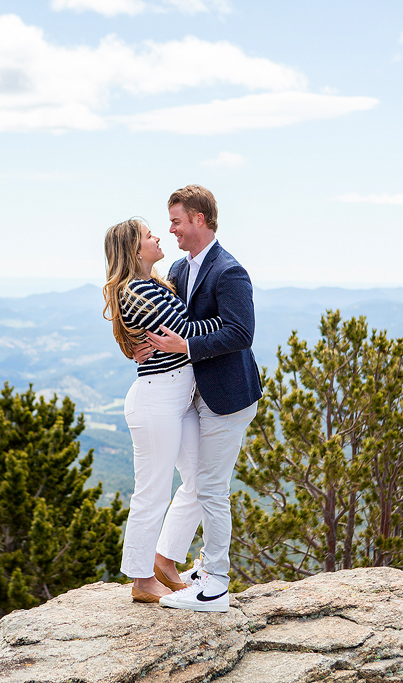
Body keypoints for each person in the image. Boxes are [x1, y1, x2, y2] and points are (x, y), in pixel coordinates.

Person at [143, 184, 262, 613]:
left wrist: (185, 346)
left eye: (176, 220)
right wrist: (141, 345)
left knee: (212, 487)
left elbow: (241, 333)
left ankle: (216, 584)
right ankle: (181, 563)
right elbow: (163, 316)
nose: (170, 228)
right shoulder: (179, 266)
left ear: (199, 219)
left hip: (228, 397)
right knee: (197, 481)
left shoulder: (229, 271)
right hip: (195, 395)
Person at [102, 218, 223, 603]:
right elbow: (187, 330)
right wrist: (230, 323)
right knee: (152, 492)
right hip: (156, 402)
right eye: (149, 235)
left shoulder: (154, 283)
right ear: (136, 250)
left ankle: (164, 560)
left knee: (198, 482)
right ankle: (141, 580)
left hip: (177, 400)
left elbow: (181, 332)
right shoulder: (136, 291)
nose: (158, 237)